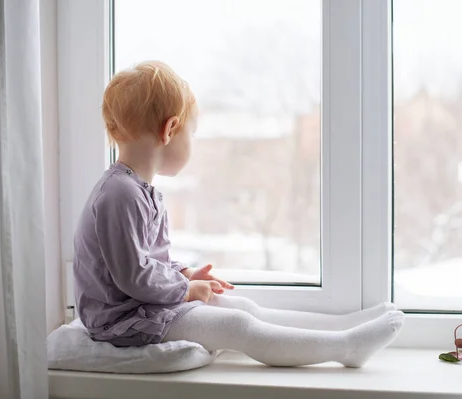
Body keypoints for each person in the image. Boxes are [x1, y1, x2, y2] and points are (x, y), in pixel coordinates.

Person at [73, 60, 404, 367]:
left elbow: (147, 264)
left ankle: (343, 326)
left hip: (142, 305)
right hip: (122, 320)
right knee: (237, 325)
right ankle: (345, 348)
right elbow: (135, 277)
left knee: (244, 308)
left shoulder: (139, 191)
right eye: (192, 133)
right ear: (170, 129)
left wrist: (184, 274)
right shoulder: (120, 195)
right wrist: (185, 290)